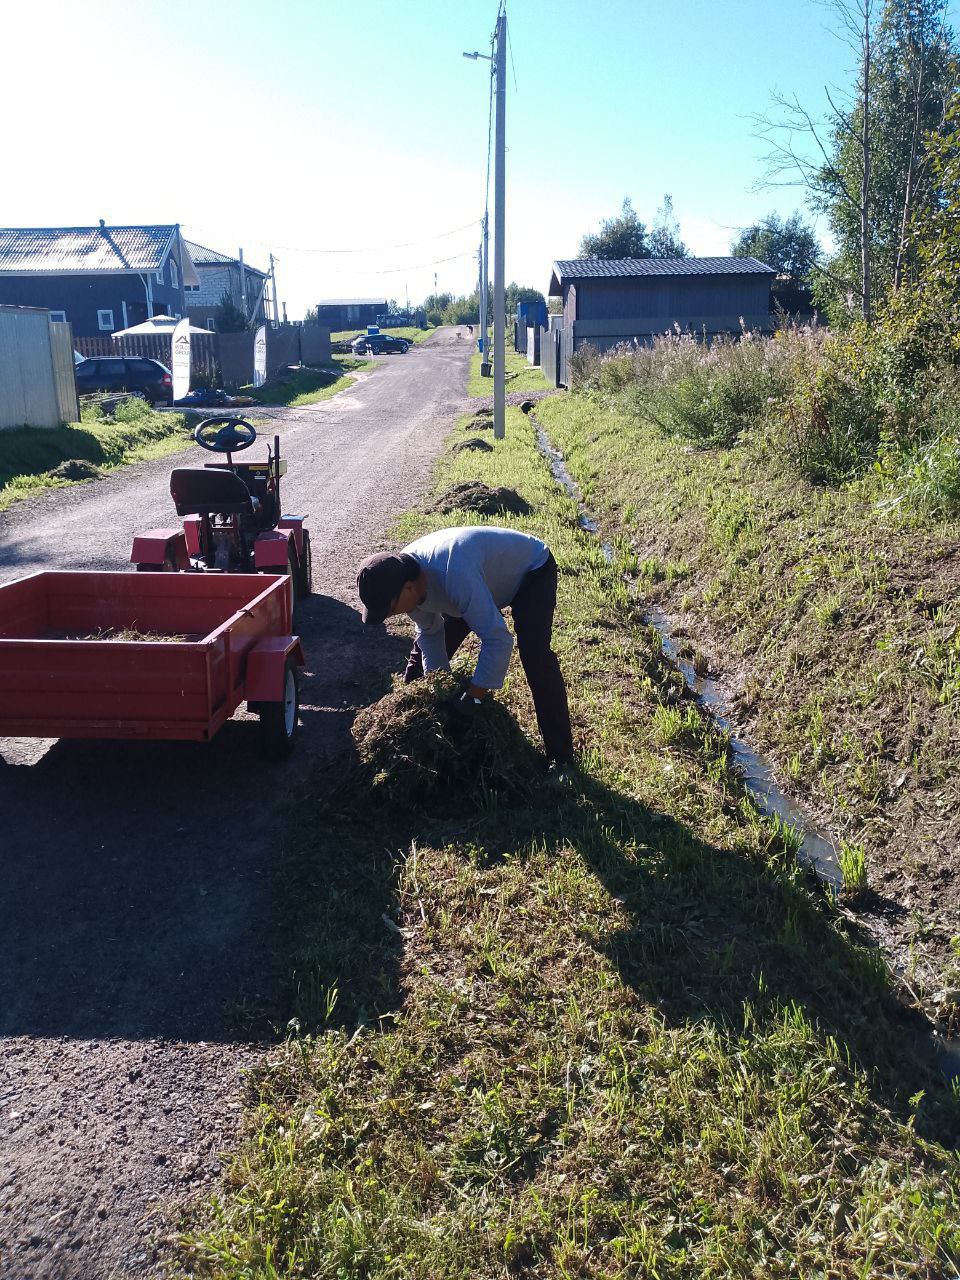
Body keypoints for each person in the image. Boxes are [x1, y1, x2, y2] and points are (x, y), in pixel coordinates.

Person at [356, 526, 574, 767]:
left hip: (530, 571)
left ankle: (561, 759)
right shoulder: (401, 574)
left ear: (408, 588)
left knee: (536, 657)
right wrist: (437, 690)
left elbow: (498, 640)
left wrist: (473, 699)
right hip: (475, 581)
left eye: (393, 609)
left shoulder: (454, 574)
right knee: (421, 671)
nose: (395, 615)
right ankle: (409, 734)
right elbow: (430, 633)